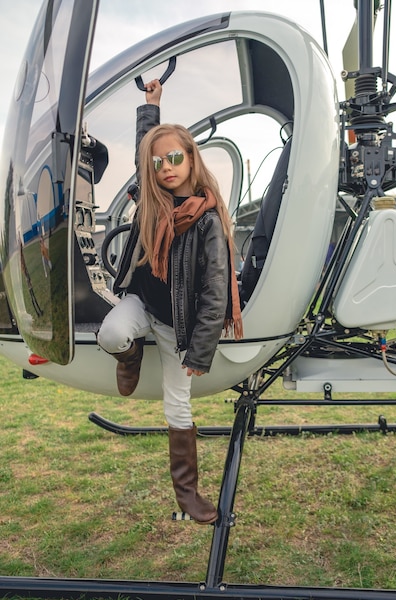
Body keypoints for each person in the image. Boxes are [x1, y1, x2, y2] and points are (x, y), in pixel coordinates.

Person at [97, 79, 243, 524]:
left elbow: (217, 291)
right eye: (159, 163)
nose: (166, 167)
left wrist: (200, 351)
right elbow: (148, 146)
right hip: (144, 303)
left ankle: (188, 494)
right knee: (111, 333)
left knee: (177, 405)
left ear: (192, 159)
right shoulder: (151, 202)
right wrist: (151, 106)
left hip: (179, 328)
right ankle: (131, 356)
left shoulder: (209, 221)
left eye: (175, 158)